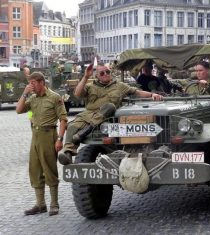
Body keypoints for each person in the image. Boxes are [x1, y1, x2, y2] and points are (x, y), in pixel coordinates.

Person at [58, 64, 163, 165]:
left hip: (106, 118)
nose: (106, 74)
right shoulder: (90, 86)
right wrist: (85, 77)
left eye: (107, 72)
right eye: (102, 73)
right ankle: (67, 153)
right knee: (72, 126)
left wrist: (152, 94)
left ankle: (85, 131)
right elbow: (77, 93)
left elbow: (136, 92)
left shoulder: (119, 86)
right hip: (88, 115)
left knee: (110, 106)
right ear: (97, 76)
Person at [16, 72, 67, 216]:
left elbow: (63, 119)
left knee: (49, 169)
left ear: (41, 82)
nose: (30, 86)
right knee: (35, 170)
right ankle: (40, 204)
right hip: (36, 136)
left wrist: (60, 139)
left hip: (49, 135)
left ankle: (54, 204)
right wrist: (25, 94)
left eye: (33, 83)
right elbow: (18, 110)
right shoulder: (32, 98)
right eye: (29, 83)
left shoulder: (55, 97)